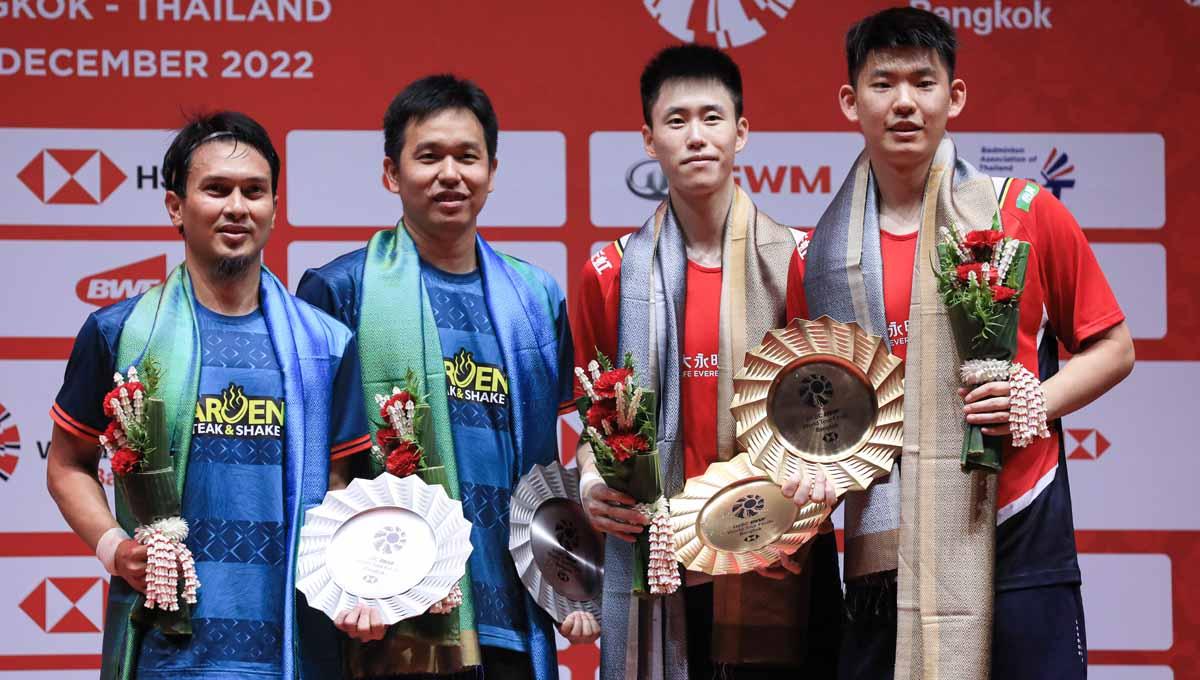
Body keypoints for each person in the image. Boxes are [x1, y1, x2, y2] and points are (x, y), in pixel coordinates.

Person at [791, 8, 1135, 680]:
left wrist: (1037, 396)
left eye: (924, 82)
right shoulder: (819, 260)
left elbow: (1113, 346)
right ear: (849, 100)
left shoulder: (1024, 213)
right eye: (882, 83)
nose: (904, 103)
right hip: (882, 558)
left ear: (956, 96)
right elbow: (822, 415)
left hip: (1017, 536)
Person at [46, 111, 372, 679]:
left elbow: (348, 482)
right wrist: (113, 549)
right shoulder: (120, 333)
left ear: (274, 207)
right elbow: (67, 463)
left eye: (255, 191)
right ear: (176, 207)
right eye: (216, 189)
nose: (237, 207)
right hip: (168, 653)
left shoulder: (329, 343)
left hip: (298, 648)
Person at [296, 74, 593, 680]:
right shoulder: (339, 291)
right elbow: (316, 463)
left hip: (514, 605)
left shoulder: (535, 296)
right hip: (393, 611)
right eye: (428, 156)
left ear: (492, 169)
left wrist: (578, 569)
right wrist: (342, 583)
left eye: (467, 156)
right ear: (391, 173)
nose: (449, 173)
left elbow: (581, 443)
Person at [571, 44, 842, 680]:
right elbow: (596, 425)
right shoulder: (609, 274)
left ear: (742, 132)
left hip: (782, 557)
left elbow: (834, 418)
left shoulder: (803, 261)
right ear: (648, 138)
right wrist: (590, 484)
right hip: (661, 558)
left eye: (713, 118)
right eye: (676, 120)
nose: (696, 136)